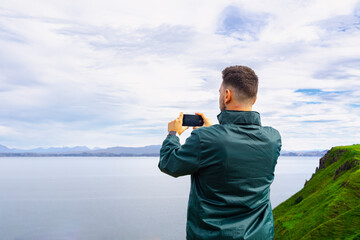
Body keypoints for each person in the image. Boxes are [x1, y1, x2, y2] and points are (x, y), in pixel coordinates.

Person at [158, 65, 282, 240]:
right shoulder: (273, 138)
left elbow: (169, 164)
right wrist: (217, 131)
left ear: (227, 95)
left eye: (219, 92)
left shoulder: (205, 138)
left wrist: (173, 134)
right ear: (254, 99)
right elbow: (236, 151)